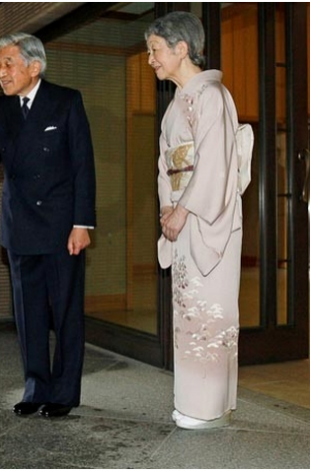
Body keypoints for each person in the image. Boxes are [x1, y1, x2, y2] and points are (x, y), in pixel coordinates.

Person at [0, 32, 96, 418]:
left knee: (64, 310)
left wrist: (83, 223)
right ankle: (36, 388)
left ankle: (63, 392)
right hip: (20, 226)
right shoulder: (2, 111)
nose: (0, 72)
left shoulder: (66, 101)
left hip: (63, 227)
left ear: (34, 66)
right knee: (27, 312)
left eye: (7, 64)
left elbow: (83, 165)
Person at [146, 12, 242, 429]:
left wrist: (183, 209)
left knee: (210, 309)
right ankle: (194, 402)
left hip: (206, 219)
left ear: (181, 49)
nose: (150, 60)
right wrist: (168, 207)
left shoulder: (210, 95)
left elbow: (217, 164)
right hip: (184, 219)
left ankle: (208, 408)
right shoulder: (175, 106)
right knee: (189, 311)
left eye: (155, 50)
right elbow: (167, 167)